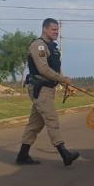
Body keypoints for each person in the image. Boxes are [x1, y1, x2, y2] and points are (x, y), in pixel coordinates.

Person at [16, 18, 81, 166]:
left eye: (57, 30)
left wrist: (65, 83)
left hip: (48, 89)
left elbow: (55, 69)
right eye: (53, 29)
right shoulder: (38, 45)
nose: (56, 32)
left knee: (35, 124)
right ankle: (65, 154)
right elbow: (43, 69)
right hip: (40, 88)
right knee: (52, 119)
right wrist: (63, 79)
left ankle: (22, 155)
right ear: (45, 29)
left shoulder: (53, 48)